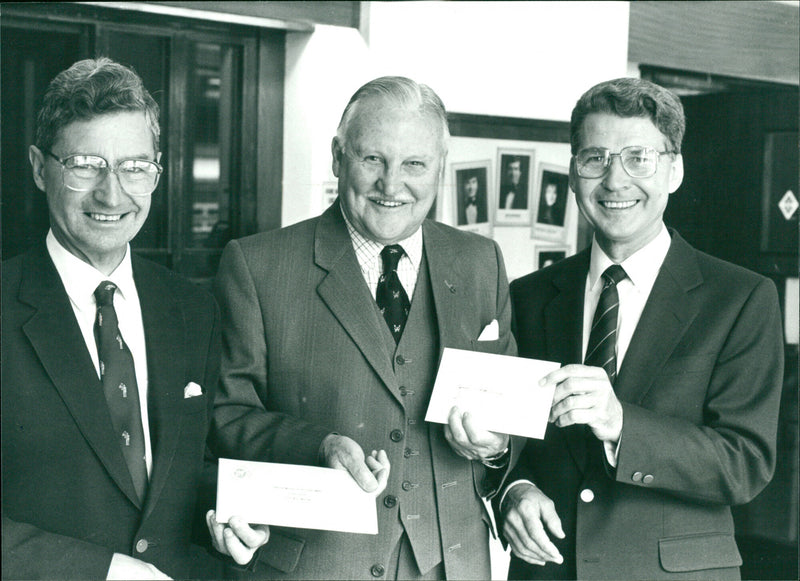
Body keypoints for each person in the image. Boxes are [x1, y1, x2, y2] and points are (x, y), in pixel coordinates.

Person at [211, 76, 518, 580]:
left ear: (440, 168)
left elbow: (509, 418)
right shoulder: (257, 265)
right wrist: (318, 446)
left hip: (453, 565)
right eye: (372, 159)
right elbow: (225, 416)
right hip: (315, 566)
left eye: (415, 164)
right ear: (338, 157)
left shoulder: (480, 261)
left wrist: (498, 446)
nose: (392, 185)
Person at [494, 77, 783, 580]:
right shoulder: (530, 294)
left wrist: (623, 424)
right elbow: (510, 440)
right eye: (595, 158)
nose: (615, 180)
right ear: (572, 172)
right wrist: (513, 491)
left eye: (638, 158)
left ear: (675, 170)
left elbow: (746, 462)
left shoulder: (741, 298)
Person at [1, 57, 267, 580]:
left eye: (134, 167)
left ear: (157, 171)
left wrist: (220, 516)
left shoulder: (192, 308)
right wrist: (99, 570)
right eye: (85, 164)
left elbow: (184, 472)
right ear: (38, 167)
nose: (112, 193)